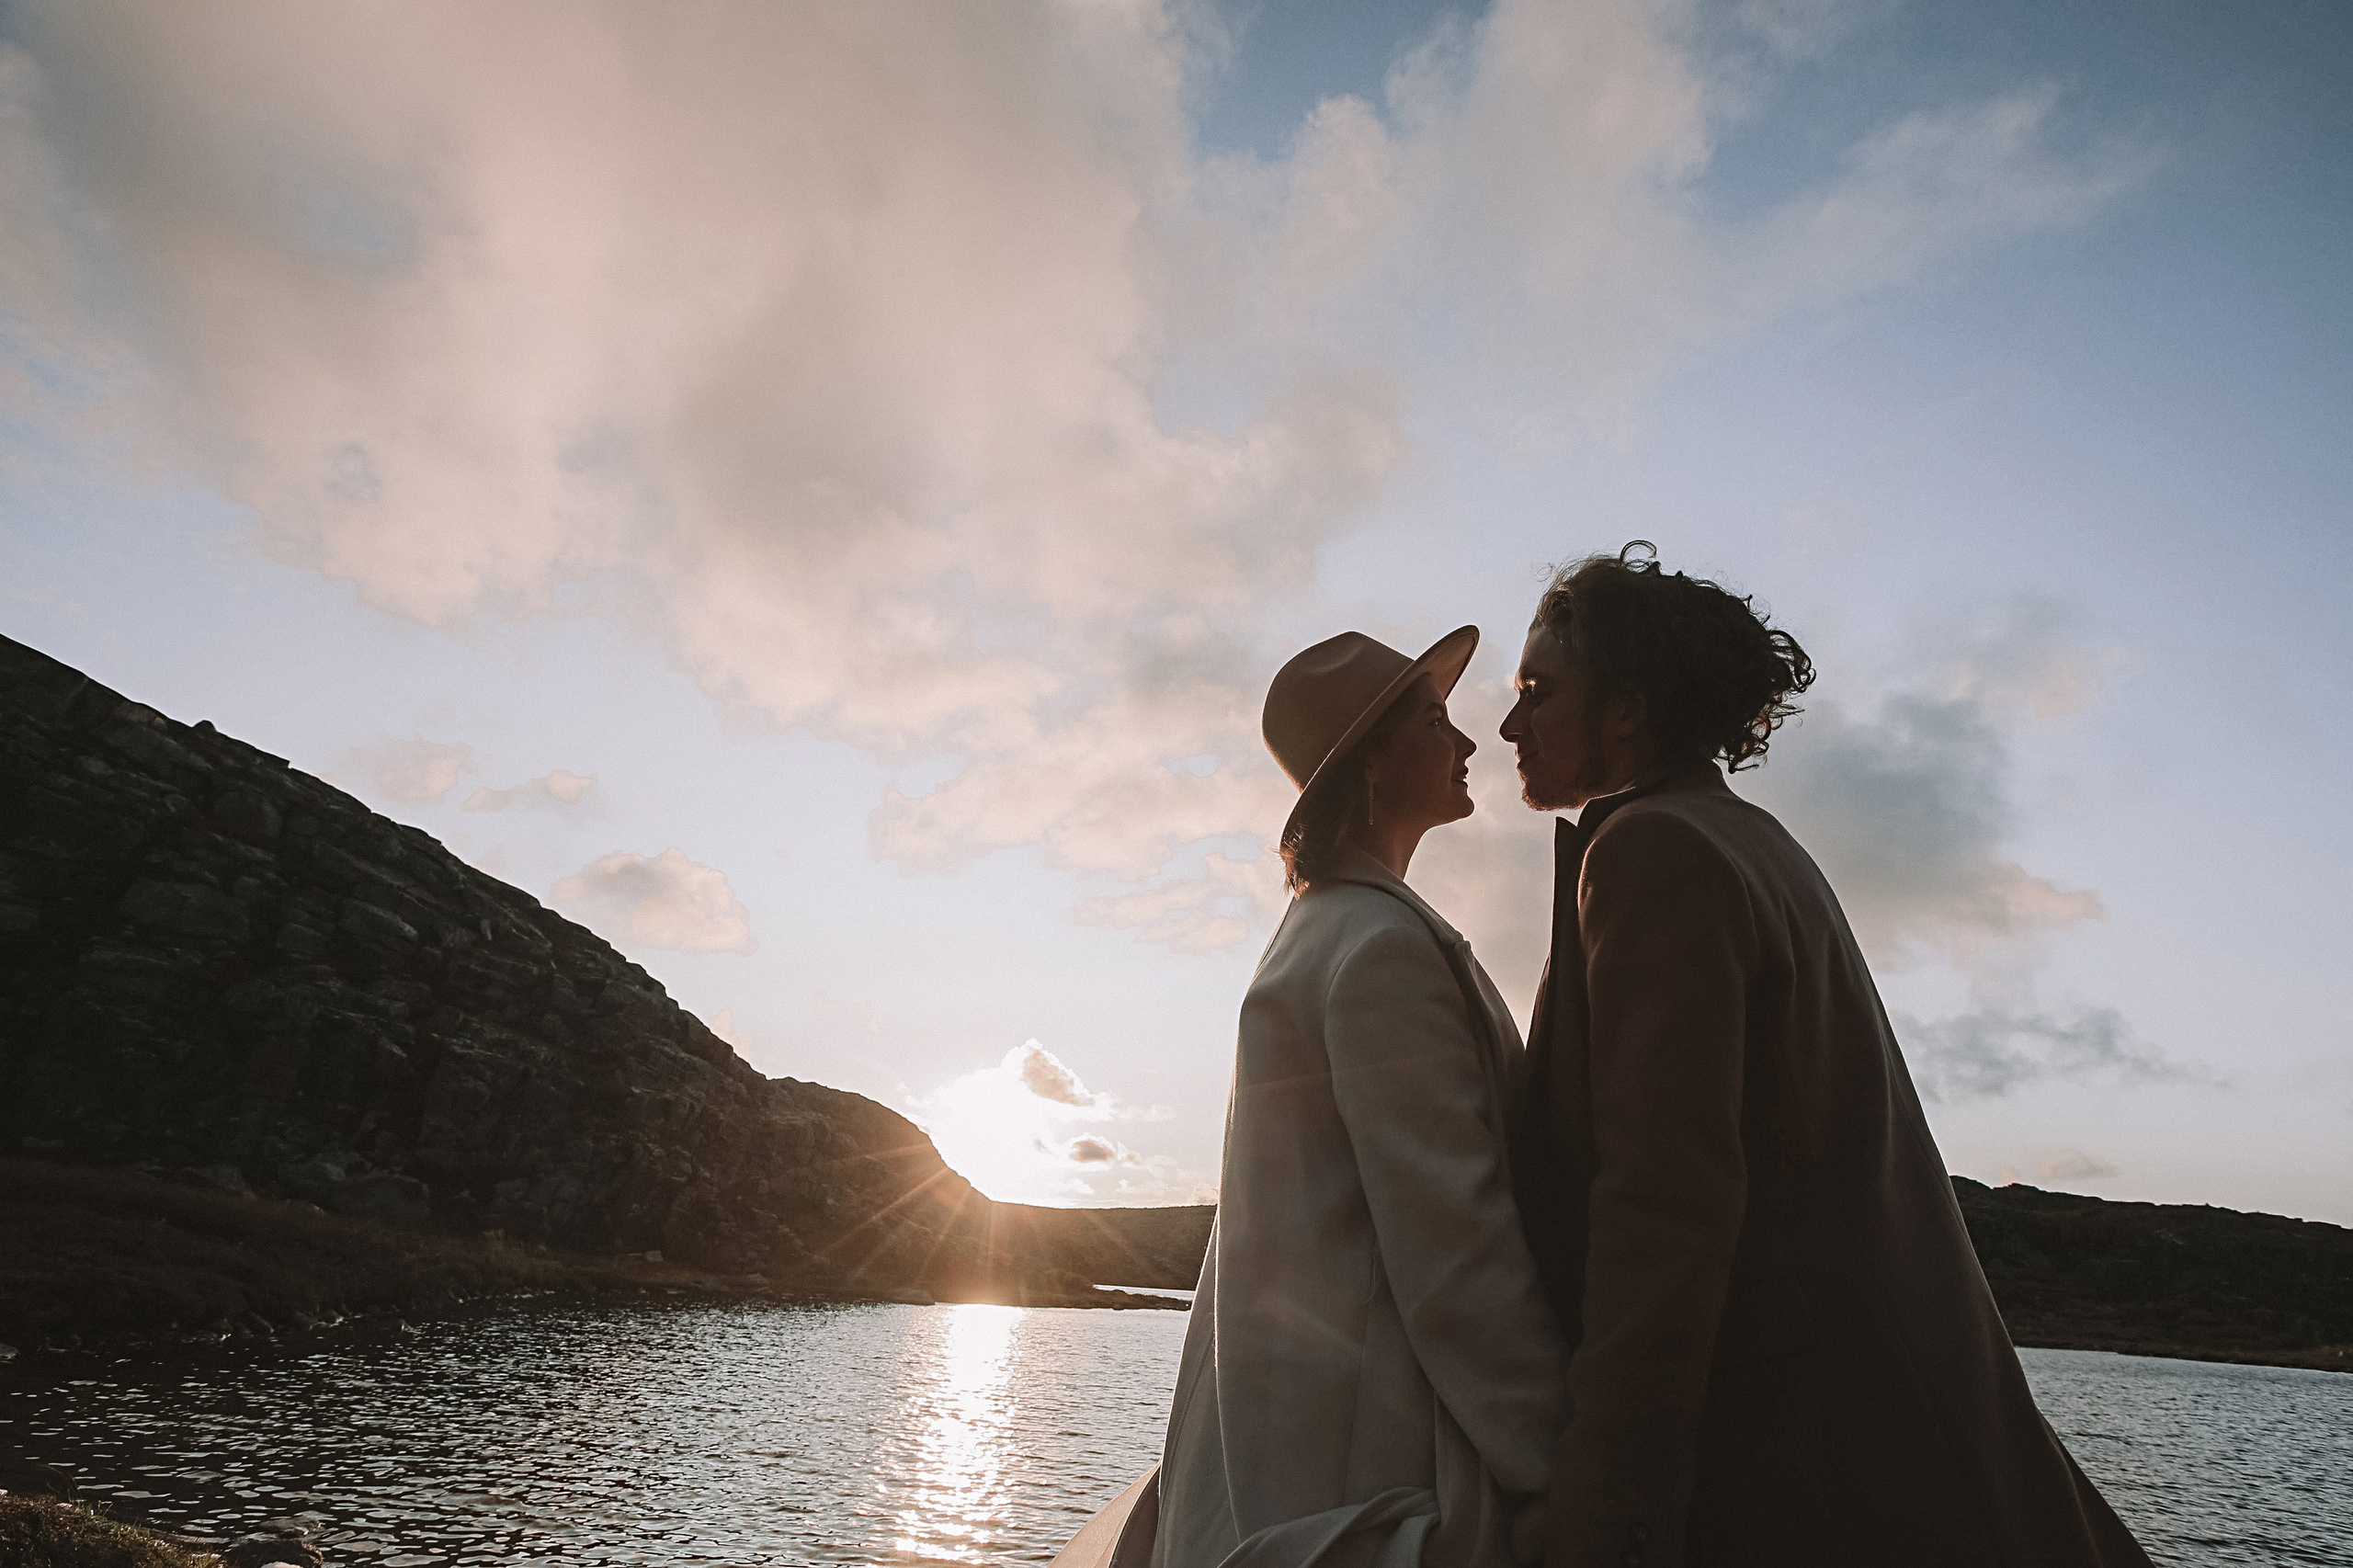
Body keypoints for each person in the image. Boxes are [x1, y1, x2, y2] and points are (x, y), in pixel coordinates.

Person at [1498, 544, 2151, 1568]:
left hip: (1810, 1457)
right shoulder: (1758, 841)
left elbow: (1662, 1207)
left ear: (1625, 708)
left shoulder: (1653, 850)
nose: (1508, 723)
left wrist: (1606, 1508)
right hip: (1898, 1418)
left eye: (1537, 689)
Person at [1133, 626, 1568, 1568]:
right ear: (1371, 762)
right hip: (1358, 1488)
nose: (1466, 743)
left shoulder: (1319, 934)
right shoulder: (1380, 950)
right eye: (1434, 720)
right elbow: (1456, 1247)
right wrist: (1560, 1464)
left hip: (1281, 1473)